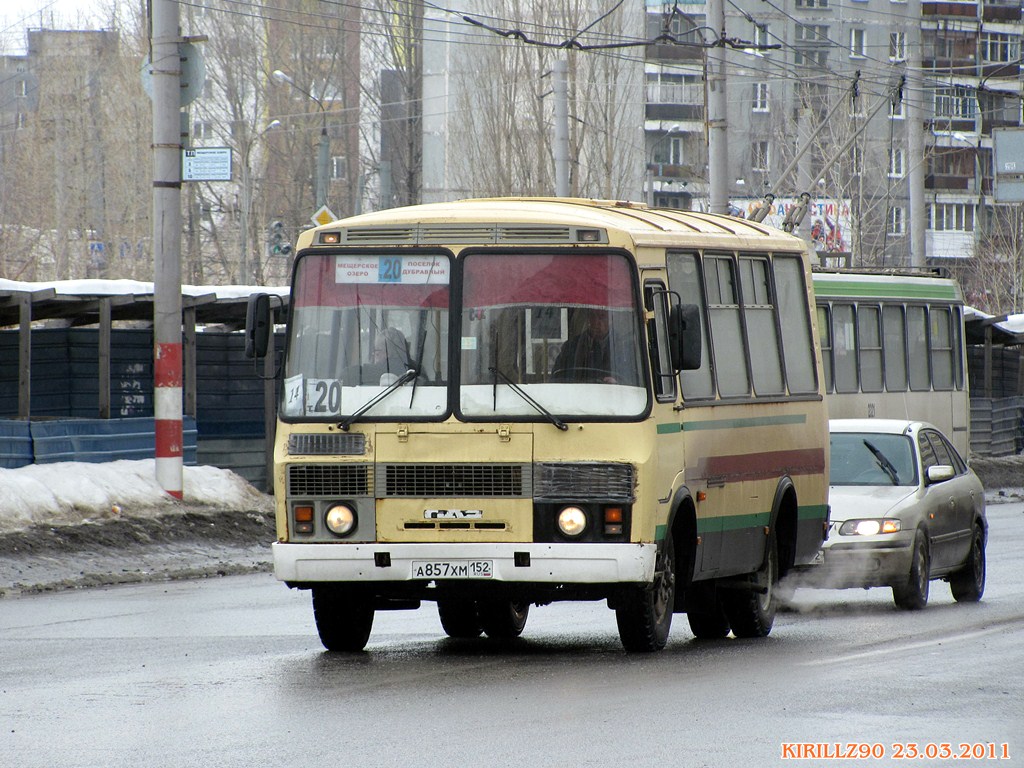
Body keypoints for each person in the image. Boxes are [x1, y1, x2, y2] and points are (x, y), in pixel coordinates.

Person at [552, 308, 636, 384]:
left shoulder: (624, 346)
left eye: (602, 317)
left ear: (611, 319)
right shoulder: (572, 346)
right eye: (593, 316)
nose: (596, 322)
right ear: (588, 319)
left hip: (613, 395)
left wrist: (618, 382)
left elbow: (634, 380)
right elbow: (557, 377)